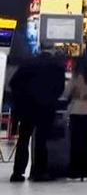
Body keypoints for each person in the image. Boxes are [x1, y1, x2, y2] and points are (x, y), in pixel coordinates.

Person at [9, 49, 66, 182]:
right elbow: (61, 88)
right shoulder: (56, 66)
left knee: (23, 140)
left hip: (27, 108)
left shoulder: (28, 63)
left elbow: (13, 83)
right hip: (45, 109)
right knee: (41, 140)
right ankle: (40, 172)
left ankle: (18, 172)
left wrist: (22, 98)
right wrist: (51, 98)